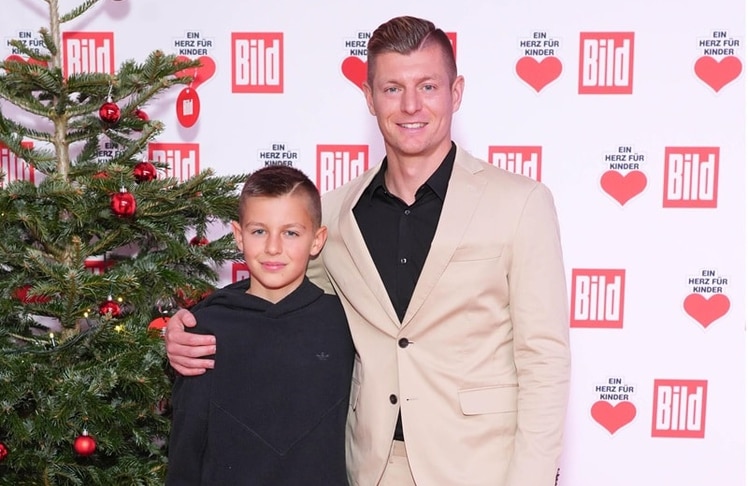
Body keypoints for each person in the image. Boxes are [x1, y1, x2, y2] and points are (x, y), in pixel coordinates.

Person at [166, 15, 570, 486]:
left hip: (479, 466)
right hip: (366, 468)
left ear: (455, 93)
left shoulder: (520, 203)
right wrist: (190, 327)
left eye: (428, 86)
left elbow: (545, 359)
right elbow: (274, 296)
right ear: (369, 97)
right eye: (393, 88)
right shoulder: (333, 216)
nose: (411, 105)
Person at [166, 165, 354, 485]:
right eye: (259, 231)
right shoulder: (206, 329)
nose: (273, 248)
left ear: (317, 240)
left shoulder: (343, 324)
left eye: (291, 232)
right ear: (239, 236)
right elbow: (187, 448)